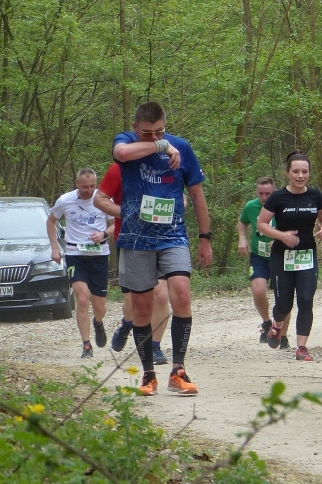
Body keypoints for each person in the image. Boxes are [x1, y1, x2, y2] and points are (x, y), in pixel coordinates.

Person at [96, 100, 212, 396]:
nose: (154, 137)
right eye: (147, 133)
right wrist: (160, 146)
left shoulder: (182, 147)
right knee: (142, 307)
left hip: (173, 235)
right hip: (136, 239)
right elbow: (122, 154)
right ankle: (148, 375)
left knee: (181, 294)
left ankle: (178, 371)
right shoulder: (126, 141)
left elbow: (197, 196)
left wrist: (205, 237)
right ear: (135, 127)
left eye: (160, 132)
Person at [258, 152, 322, 361]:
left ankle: (302, 348)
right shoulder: (278, 197)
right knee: (284, 305)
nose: (300, 176)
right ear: (287, 173)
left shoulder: (315, 195)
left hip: (307, 255)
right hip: (282, 256)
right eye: (296, 171)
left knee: (306, 300)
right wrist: (282, 236)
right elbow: (261, 224)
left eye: (304, 172)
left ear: (309, 173)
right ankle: (276, 325)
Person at [97, 162, 172, 365]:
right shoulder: (119, 169)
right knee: (134, 302)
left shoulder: (164, 166)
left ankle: (154, 346)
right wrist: (129, 212)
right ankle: (127, 323)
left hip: (161, 239)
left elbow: (177, 196)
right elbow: (101, 200)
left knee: (161, 295)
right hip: (129, 240)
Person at [46, 168, 111, 358]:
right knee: (82, 299)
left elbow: (117, 224)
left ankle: (98, 322)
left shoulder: (103, 199)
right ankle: (86, 345)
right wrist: (55, 248)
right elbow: (50, 222)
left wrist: (103, 234)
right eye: (84, 187)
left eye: (92, 186)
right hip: (75, 254)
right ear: (76, 184)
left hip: (99, 255)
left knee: (99, 306)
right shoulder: (65, 200)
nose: (88, 190)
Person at [238, 177, 291, 346]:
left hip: (281, 256)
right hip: (259, 256)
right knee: (258, 289)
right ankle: (267, 322)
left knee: (283, 297)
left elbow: (296, 226)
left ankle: (282, 336)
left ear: (274, 191)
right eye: (261, 193)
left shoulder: (284, 205)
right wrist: (242, 239)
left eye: (268, 193)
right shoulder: (251, 206)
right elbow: (242, 222)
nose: (264, 197)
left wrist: (280, 239)